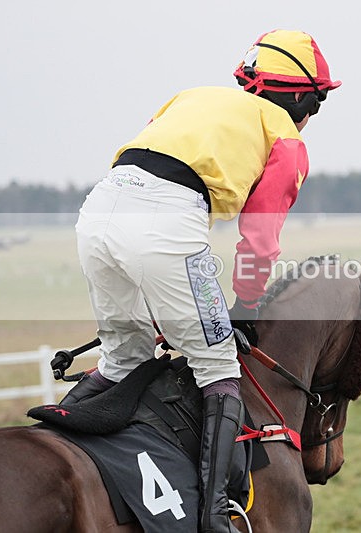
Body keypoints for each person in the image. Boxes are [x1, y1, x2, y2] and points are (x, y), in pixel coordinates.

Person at [62, 29, 340, 532]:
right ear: (300, 96)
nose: (310, 117)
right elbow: (259, 235)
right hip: (167, 224)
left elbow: (144, 173)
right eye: (316, 104)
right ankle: (216, 518)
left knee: (124, 355)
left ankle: (60, 430)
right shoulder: (287, 138)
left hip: (98, 213)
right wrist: (247, 306)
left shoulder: (189, 97)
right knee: (218, 368)